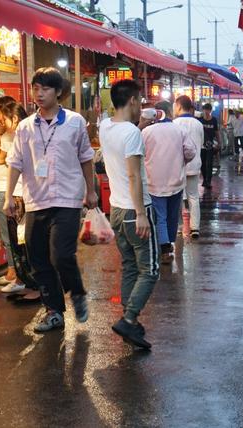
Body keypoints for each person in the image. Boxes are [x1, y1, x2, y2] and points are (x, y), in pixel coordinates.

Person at [4, 67, 97, 332]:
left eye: (45, 88)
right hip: (36, 200)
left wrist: (90, 191)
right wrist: (10, 195)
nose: (39, 93)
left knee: (61, 255)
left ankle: (77, 292)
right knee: (38, 259)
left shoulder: (75, 122)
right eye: (35, 88)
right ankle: (54, 310)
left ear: (58, 92)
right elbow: (15, 162)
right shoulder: (25, 127)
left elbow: (86, 157)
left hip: (67, 198)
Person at [99, 79, 158, 349]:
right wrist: (142, 214)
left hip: (117, 210)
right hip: (136, 210)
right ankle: (129, 318)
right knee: (150, 269)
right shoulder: (132, 134)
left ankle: (130, 322)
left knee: (131, 266)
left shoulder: (105, 126)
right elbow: (134, 175)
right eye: (140, 101)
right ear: (133, 101)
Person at [142, 101, 197, 264]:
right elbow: (190, 151)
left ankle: (165, 246)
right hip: (176, 180)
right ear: (169, 113)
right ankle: (168, 243)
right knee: (173, 215)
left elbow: (139, 153)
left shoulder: (146, 132)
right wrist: (182, 161)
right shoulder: (180, 130)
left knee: (160, 216)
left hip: (154, 181)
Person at [0, 97, 26, 293]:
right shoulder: (15, 133)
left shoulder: (17, 136)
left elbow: (2, 159)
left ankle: (19, 275)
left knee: (15, 236)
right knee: (12, 235)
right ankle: (20, 275)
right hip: (12, 191)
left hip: (14, 191)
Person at [173, 95, 204, 239]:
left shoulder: (174, 123)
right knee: (193, 196)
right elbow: (201, 144)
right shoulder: (198, 124)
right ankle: (195, 228)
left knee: (177, 197)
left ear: (178, 106)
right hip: (195, 164)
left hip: (178, 166)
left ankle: (178, 227)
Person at [199, 103, 222, 187]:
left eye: (208, 110)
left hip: (210, 145)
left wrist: (219, 142)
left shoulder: (214, 120)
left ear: (210, 111)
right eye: (205, 110)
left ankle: (208, 181)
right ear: (203, 110)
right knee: (202, 164)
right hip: (201, 145)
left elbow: (217, 132)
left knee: (209, 163)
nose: (206, 112)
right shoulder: (200, 120)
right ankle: (205, 179)